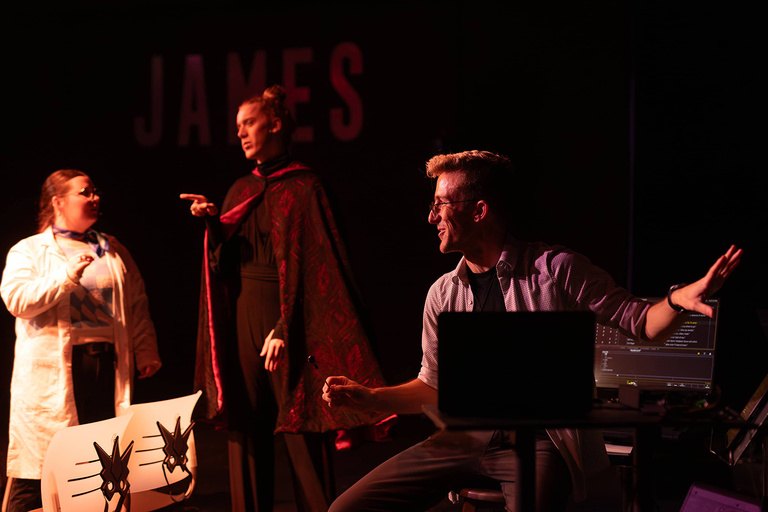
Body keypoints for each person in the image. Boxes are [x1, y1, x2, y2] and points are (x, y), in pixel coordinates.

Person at [322, 150, 742, 512]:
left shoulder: (555, 270)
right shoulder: (442, 293)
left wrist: (675, 300)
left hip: (538, 443)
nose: (430, 216)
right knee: (346, 507)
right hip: (462, 440)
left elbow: (640, 322)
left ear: (478, 210)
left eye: (440, 204)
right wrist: (370, 398)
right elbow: (434, 387)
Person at [181, 84, 387, 512]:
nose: (241, 134)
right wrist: (214, 226)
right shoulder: (239, 189)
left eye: (249, 123)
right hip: (242, 320)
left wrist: (282, 325)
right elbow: (223, 267)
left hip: (288, 322)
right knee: (246, 430)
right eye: (237, 127)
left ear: (275, 125)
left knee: (300, 430)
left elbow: (318, 270)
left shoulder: (306, 186)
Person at [1, 169, 162, 512]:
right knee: (39, 469)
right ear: (58, 202)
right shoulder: (29, 250)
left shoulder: (110, 247)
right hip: (57, 373)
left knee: (99, 463)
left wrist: (145, 348)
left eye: (95, 192)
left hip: (106, 367)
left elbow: (135, 303)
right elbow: (17, 300)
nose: (94, 198)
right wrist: (66, 276)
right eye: (84, 193)